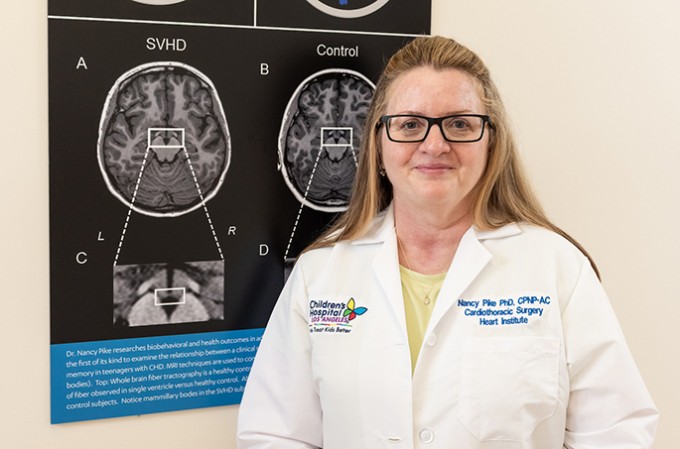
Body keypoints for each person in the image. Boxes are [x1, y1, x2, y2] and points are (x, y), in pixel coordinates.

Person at [237, 35, 658, 449]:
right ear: (379, 142)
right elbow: (275, 435)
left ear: (491, 141)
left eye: (459, 123)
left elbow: (617, 434)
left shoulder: (558, 269)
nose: (434, 145)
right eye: (410, 124)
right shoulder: (322, 272)